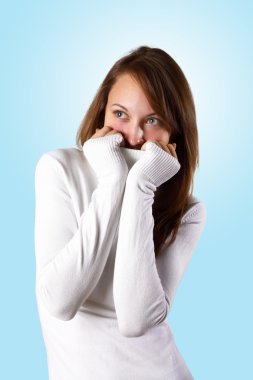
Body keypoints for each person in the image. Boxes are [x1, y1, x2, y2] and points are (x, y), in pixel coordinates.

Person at [34, 45, 207, 380]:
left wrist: (140, 186)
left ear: (175, 134)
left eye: (153, 120)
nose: (133, 137)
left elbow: (134, 320)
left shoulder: (188, 211)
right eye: (120, 114)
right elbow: (59, 301)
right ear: (102, 114)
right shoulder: (60, 169)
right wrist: (113, 181)